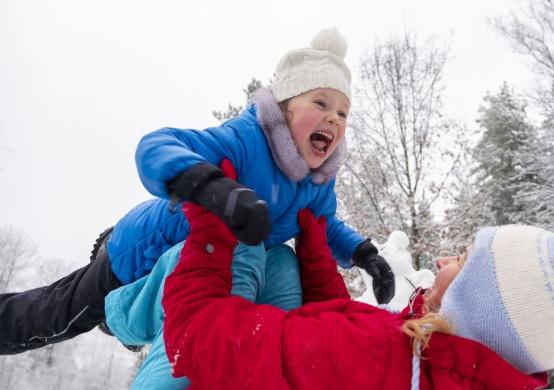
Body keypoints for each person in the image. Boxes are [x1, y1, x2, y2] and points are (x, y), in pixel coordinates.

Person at [0, 27, 395, 355]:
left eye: (343, 112)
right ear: (286, 107)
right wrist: (211, 186)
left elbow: (326, 226)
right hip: (140, 253)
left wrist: (364, 254)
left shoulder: (317, 183)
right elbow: (156, 146)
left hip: (193, 274)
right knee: (57, 316)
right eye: (321, 101)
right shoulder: (246, 140)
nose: (333, 116)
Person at [161, 203, 554, 390]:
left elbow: (195, 335)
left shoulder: (381, 356)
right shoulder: (425, 364)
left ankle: (110, 307)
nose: (445, 259)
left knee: (210, 265)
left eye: (464, 259)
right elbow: (329, 342)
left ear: (479, 304)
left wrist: (210, 230)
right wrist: (317, 254)